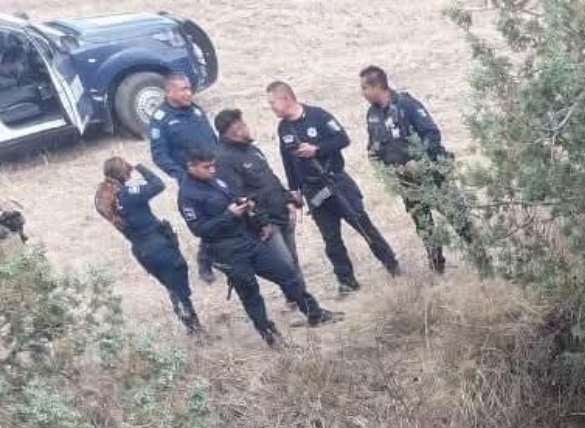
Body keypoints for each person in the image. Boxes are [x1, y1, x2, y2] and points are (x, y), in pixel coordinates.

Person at [178, 150, 339, 346]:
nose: (212, 170)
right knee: (250, 294)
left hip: (248, 239)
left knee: (286, 273)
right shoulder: (188, 195)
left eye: (213, 165)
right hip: (226, 251)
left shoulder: (215, 180)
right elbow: (200, 230)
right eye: (206, 167)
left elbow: (236, 199)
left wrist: (255, 217)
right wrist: (229, 215)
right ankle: (270, 336)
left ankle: (314, 312)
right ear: (191, 167)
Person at [267, 80, 402, 295]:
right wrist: (295, 190)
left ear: (286, 98)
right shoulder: (284, 128)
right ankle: (346, 281)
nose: (271, 107)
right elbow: (287, 160)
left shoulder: (318, 116)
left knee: (363, 226)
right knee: (331, 240)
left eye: (273, 102)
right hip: (314, 192)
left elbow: (342, 139)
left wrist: (317, 149)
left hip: (336, 183)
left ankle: (392, 266)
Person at [359, 65, 478, 274]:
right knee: (424, 226)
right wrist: (378, 163)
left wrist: (419, 160)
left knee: (456, 217)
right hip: (407, 183)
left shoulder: (406, 105)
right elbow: (375, 145)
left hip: (431, 176)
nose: (362, 93)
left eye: (365, 88)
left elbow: (432, 134)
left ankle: (481, 257)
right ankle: (436, 266)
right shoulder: (373, 114)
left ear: (378, 86)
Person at [95, 158, 200, 334]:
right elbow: (158, 184)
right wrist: (139, 166)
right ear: (124, 172)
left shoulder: (104, 199)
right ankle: (192, 324)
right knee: (179, 286)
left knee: (171, 286)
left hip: (141, 250)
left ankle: (190, 322)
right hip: (158, 245)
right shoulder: (128, 193)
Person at [214, 108, 303, 272]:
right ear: (230, 131)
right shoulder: (223, 159)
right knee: (285, 267)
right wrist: (262, 222)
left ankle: (302, 297)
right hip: (267, 221)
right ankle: (295, 297)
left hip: (281, 211)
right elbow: (238, 196)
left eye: (244, 124)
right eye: (241, 126)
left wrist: (288, 199)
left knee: (293, 262)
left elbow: (270, 178)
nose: (246, 128)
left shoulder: (252, 149)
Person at [148, 73, 217, 283]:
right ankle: (205, 260)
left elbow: (211, 137)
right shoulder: (161, 120)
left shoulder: (195, 110)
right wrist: (181, 175)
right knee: (208, 219)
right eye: (183, 89)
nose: (189, 93)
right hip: (193, 178)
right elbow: (159, 155)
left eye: (189, 88)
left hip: (215, 169)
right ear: (169, 92)